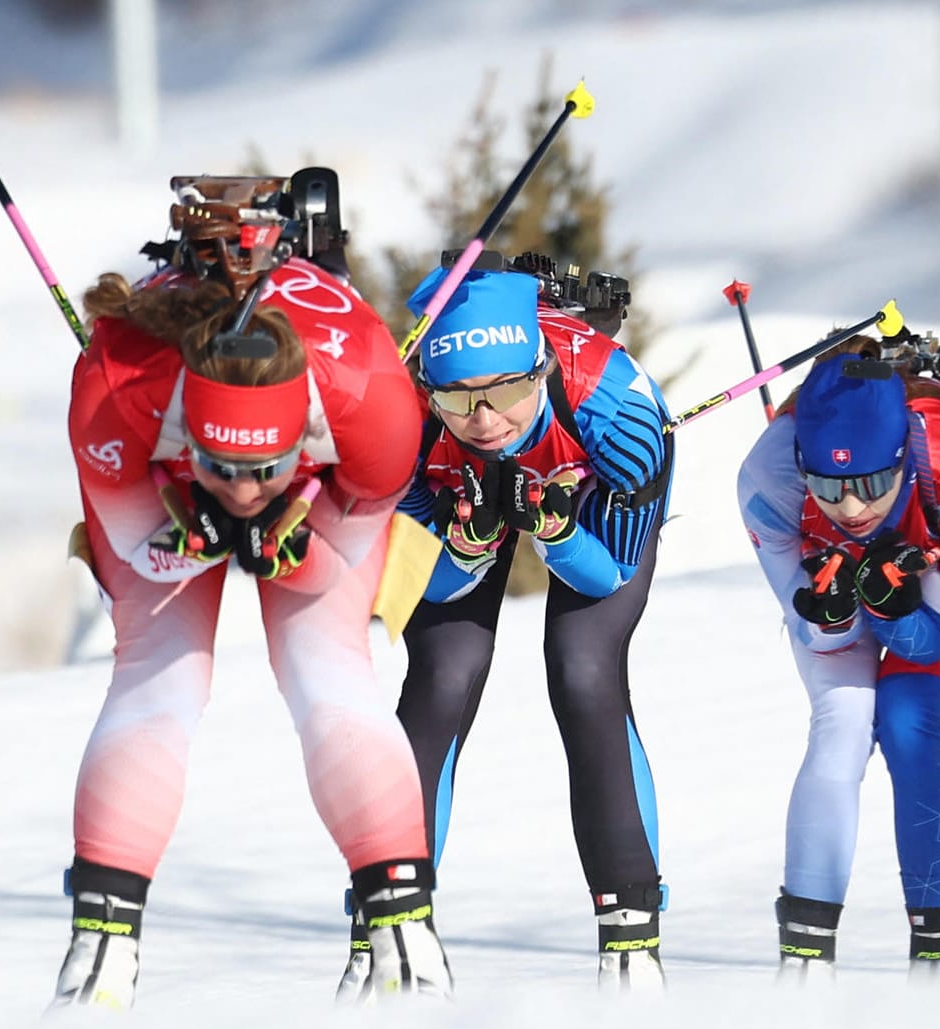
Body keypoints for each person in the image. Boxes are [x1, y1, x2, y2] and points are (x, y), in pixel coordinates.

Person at [54, 175, 451, 1008]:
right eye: (223, 466)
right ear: (187, 423)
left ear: (297, 434)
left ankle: (403, 929)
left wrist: (294, 531)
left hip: (333, 475)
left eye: (261, 468)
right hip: (154, 466)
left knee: (326, 670)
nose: (242, 489)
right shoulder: (115, 385)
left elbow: (348, 534)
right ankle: (100, 949)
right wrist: (183, 528)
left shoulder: (375, 407)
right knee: (157, 674)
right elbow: (132, 541)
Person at [382, 264, 675, 990]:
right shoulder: (402, 425)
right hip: (468, 497)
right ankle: (388, 922)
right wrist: (470, 544)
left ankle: (631, 934)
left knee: (583, 666)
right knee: (442, 673)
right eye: (458, 397)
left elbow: (605, 574)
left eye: (509, 390)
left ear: (540, 368)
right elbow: (420, 587)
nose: (486, 420)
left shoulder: (618, 414)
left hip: (592, 491)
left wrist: (552, 527)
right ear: (428, 389)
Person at [736, 344, 940, 980]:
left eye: (872, 484)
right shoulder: (768, 479)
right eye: (829, 486)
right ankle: (805, 958)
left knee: (908, 719)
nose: (853, 507)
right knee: (841, 721)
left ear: (901, 460)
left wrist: (891, 609)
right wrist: (834, 614)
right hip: (841, 566)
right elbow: (821, 640)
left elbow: (932, 643)